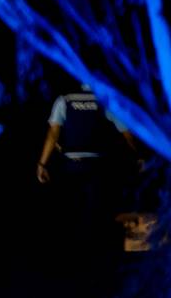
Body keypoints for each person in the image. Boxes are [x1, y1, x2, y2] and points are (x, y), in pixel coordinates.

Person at [36, 82, 138, 255]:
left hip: (72, 166)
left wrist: (42, 164)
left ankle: (75, 254)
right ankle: (95, 253)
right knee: (95, 214)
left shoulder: (64, 100)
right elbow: (125, 131)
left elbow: (53, 134)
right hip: (96, 167)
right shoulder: (103, 101)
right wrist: (139, 155)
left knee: (72, 214)